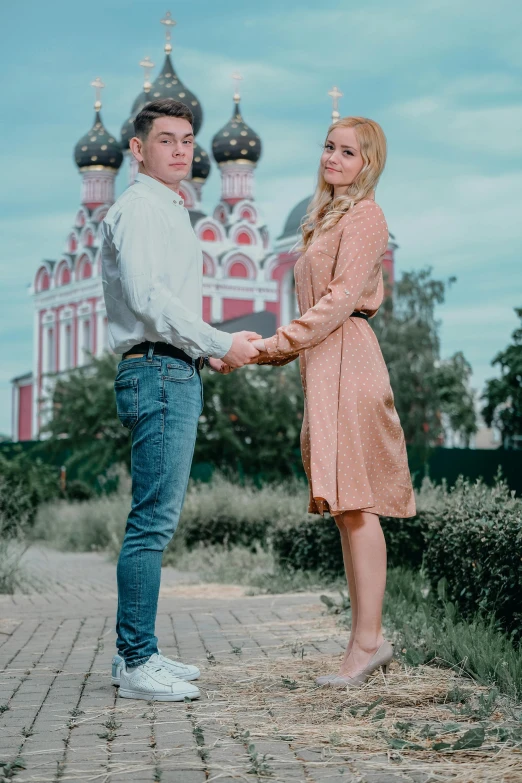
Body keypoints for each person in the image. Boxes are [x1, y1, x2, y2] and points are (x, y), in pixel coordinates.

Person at [100, 98, 260, 701]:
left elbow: (168, 303)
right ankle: (136, 662)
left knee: (155, 521)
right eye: (166, 139)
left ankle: (136, 652)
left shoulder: (167, 209)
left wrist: (204, 353)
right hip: (157, 375)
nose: (181, 149)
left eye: (188, 139)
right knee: (151, 523)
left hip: (172, 369)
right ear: (138, 149)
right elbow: (147, 298)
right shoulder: (141, 208)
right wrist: (217, 339)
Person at [251, 117, 416, 688]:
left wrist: (272, 347)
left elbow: (342, 298)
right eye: (328, 147)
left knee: (358, 505)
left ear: (367, 164)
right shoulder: (324, 218)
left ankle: (367, 643)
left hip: (348, 357)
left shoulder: (367, 215)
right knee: (347, 508)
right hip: (322, 363)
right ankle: (365, 641)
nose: (333, 158)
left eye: (347, 152)